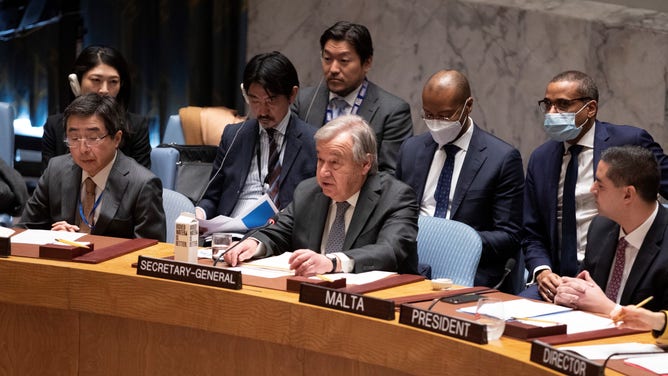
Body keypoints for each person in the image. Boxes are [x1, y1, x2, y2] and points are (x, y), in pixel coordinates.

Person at [522, 70, 668, 301]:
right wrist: (542, 270)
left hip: (611, 275)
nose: (552, 113)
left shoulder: (629, 142)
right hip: (557, 280)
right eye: (547, 104)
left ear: (590, 108)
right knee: (514, 320)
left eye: (562, 104)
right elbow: (532, 232)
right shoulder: (541, 158)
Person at [223, 115, 419, 276]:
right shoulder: (309, 191)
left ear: (365, 164)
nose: (323, 172)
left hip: (376, 304)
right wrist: (254, 244)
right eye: (320, 160)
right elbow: (279, 231)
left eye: (335, 163)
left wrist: (333, 262)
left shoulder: (396, 198)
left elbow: (389, 251)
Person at [395, 70, 524, 292]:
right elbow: (396, 213)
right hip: (409, 267)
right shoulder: (411, 149)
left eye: (445, 116)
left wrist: (453, 243)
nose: (436, 123)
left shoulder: (501, 158)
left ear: (468, 106)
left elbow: (509, 236)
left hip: (469, 274)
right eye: (429, 115)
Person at [20, 93, 165, 241]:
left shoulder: (142, 185)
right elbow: (24, 229)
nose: (83, 149)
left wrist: (87, 247)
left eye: (93, 138)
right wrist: (53, 237)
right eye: (74, 138)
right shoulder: (56, 169)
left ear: (116, 139)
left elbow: (149, 253)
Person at [196, 51, 317, 222]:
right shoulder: (234, 136)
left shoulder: (312, 142)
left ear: (292, 95)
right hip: (227, 233)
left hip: (278, 237)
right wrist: (199, 214)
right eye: (255, 101)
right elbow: (211, 197)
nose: (262, 111)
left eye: (271, 101)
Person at [554, 146, 668, 315]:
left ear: (628, 195)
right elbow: (585, 289)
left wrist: (612, 310)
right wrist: (570, 294)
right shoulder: (601, 227)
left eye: (600, 185)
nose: (592, 189)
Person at [291, 21, 413, 174]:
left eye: (344, 61)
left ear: (367, 63)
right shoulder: (303, 101)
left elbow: (390, 176)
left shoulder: (392, 111)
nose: (334, 69)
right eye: (327, 59)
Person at [42, 45, 151, 171]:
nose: (104, 90)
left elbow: (140, 182)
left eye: (113, 82)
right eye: (96, 80)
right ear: (76, 82)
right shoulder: (54, 125)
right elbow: (50, 180)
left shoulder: (136, 126)